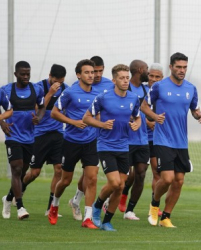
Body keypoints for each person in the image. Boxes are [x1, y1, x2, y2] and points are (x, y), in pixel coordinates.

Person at [141, 52, 201, 227]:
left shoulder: (191, 88)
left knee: (179, 181)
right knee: (167, 178)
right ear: (171, 67)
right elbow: (143, 106)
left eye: (184, 67)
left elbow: (194, 109)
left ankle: (166, 217)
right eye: (178, 67)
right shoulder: (159, 87)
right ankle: (154, 204)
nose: (182, 70)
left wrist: (198, 115)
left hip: (181, 142)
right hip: (162, 139)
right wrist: (154, 116)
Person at [85, 64, 141, 231]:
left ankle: (107, 221)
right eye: (122, 78)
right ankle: (97, 205)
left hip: (124, 146)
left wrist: (136, 125)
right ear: (114, 80)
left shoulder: (133, 98)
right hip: (106, 146)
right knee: (115, 183)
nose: (125, 81)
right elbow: (87, 118)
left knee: (121, 187)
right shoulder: (103, 97)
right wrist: (102, 124)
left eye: (127, 78)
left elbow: (137, 118)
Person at [48, 59, 99, 229]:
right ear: (78, 74)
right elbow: (54, 113)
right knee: (65, 180)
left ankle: (87, 218)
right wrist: (74, 122)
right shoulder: (70, 92)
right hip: (71, 142)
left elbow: (98, 116)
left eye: (92, 72)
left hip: (91, 142)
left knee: (91, 179)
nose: (91, 75)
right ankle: (54, 205)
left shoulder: (97, 94)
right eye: (87, 72)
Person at [69, 55, 114, 221]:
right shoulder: (76, 87)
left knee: (93, 175)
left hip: (106, 136)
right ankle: (77, 201)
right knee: (88, 175)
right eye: (93, 71)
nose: (96, 75)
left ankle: (97, 201)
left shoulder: (109, 85)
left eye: (100, 71)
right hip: (83, 137)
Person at [21, 64, 69, 217]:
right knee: (34, 172)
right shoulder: (38, 88)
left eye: (60, 82)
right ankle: (19, 190)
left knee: (59, 169)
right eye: (55, 81)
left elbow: (66, 109)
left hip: (58, 134)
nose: (58, 84)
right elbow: (36, 110)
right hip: (40, 135)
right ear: (50, 76)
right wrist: (50, 93)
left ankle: (50, 208)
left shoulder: (66, 89)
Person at [1, 61, 45, 220]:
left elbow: (42, 107)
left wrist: (38, 118)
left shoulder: (36, 89)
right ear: (16, 74)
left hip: (30, 137)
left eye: (28, 73)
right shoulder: (6, 90)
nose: (26, 77)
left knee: (23, 171)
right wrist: (2, 122)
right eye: (22, 74)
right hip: (13, 135)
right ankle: (19, 206)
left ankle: (7, 199)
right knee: (16, 168)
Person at [117, 60, 150, 221]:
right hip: (125, 140)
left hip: (142, 139)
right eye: (147, 69)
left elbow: (151, 110)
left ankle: (129, 210)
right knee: (124, 176)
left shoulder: (147, 89)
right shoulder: (124, 87)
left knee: (141, 174)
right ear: (140, 70)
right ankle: (109, 199)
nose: (148, 72)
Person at [146, 63, 164, 216]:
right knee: (132, 175)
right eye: (151, 76)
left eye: (157, 76)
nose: (153, 79)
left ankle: (154, 205)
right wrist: (149, 121)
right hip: (134, 138)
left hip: (154, 138)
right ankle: (120, 197)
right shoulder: (142, 90)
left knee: (156, 172)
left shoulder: (162, 91)